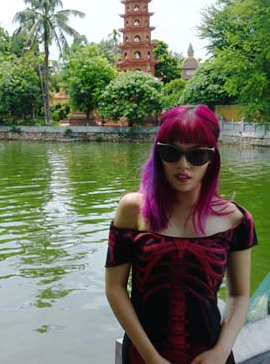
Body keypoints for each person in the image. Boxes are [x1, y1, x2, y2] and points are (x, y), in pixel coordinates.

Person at [105, 105, 258, 364]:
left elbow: (239, 295)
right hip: (143, 356)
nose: (183, 165)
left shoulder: (235, 220)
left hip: (210, 356)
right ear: (158, 154)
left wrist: (220, 353)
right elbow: (115, 288)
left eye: (196, 155)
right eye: (171, 153)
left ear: (212, 158)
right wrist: (150, 356)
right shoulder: (132, 210)